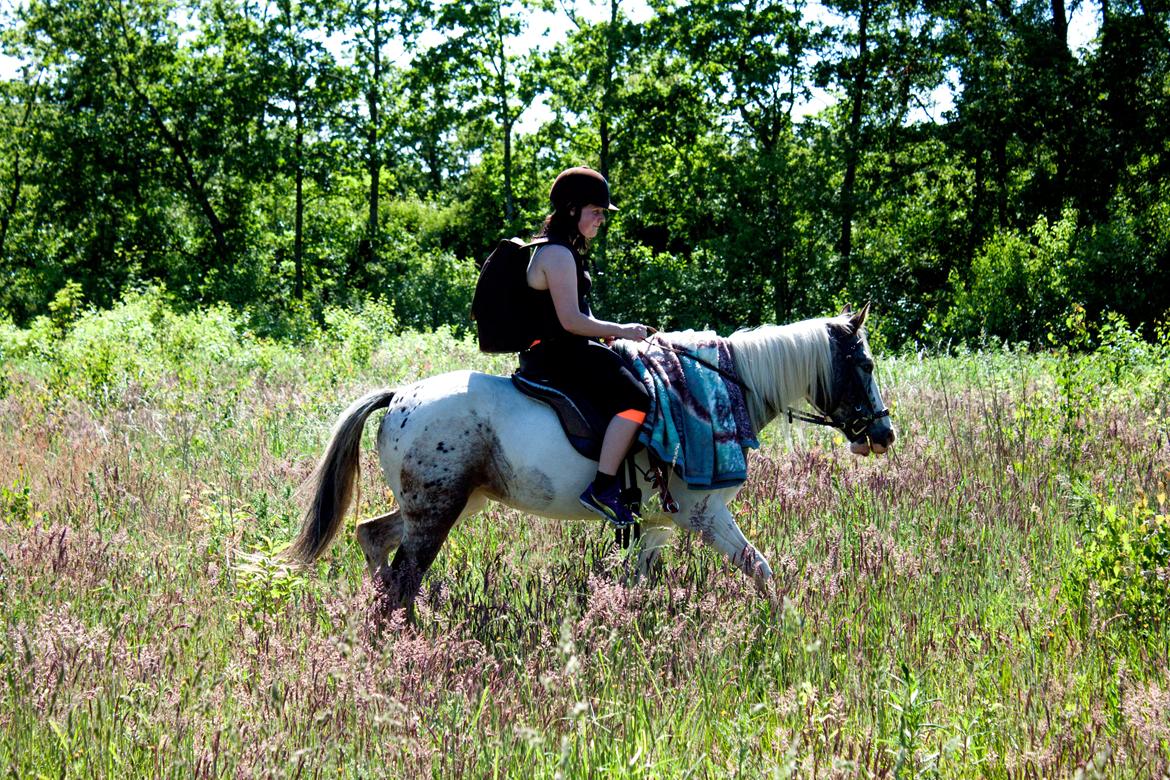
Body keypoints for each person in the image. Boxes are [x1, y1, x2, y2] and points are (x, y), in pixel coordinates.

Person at [520, 166, 653, 528]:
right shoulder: (558, 255)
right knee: (637, 399)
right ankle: (603, 486)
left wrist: (605, 333)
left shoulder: (566, 250)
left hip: (568, 349)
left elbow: (581, 315)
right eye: (596, 211)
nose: (600, 219)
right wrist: (622, 330)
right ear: (572, 209)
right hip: (559, 355)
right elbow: (570, 322)